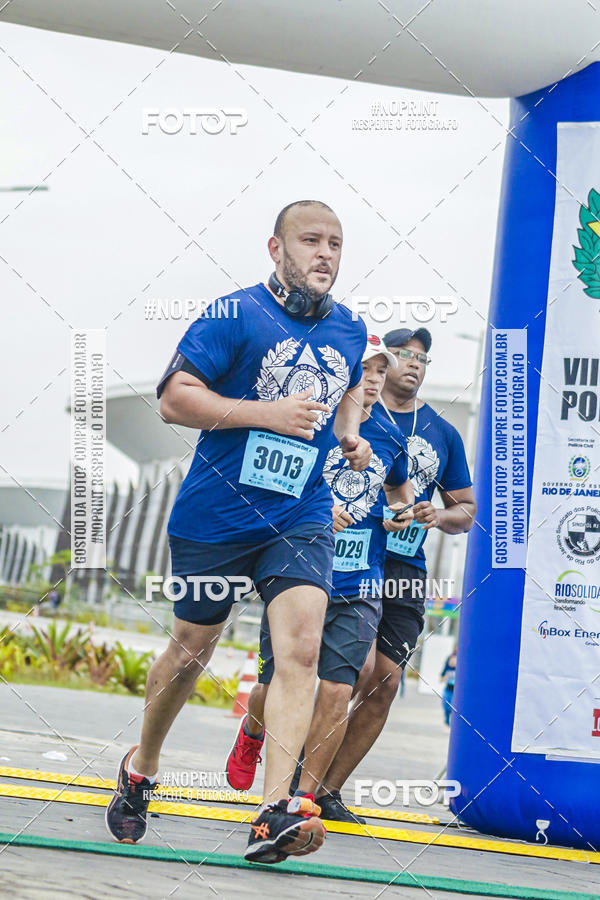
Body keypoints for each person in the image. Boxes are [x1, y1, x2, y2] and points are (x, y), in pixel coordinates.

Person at [104, 200, 371, 864]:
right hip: (218, 516)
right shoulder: (235, 315)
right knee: (191, 651)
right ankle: (143, 765)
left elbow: (346, 388)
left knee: (300, 653)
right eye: (310, 240)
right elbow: (174, 397)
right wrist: (266, 414)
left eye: (335, 243)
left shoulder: (349, 329)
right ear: (276, 249)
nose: (325, 254)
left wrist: (349, 435)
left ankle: (274, 811)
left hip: (299, 516)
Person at [225, 335, 414, 823]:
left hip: (360, 583)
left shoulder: (391, 437)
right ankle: (252, 728)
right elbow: (271, 481)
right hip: (299, 571)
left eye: (379, 372)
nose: (371, 380)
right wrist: (314, 509)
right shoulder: (312, 421)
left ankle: (302, 798)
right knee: (276, 684)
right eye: (365, 371)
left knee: (335, 692)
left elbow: (399, 492)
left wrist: (402, 514)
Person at [311, 326, 477, 815]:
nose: (414, 365)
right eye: (404, 356)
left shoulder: (442, 434)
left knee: (383, 681)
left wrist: (435, 514)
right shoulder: (353, 416)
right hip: (344, 558)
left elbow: (466, 511)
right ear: (380, 365)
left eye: (423, 360)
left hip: (403, 567)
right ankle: (297, 772)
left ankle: (326, 790)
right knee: (345, 670)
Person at [441, 646, 457, 726]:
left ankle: (451, 722)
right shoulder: (448, 669)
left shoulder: (459, 670)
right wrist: (443, 677)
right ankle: (447, 721)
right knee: (446, 706)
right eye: (452, 660)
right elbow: (442, 677)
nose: (453, 662)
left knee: (453, 708)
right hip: (448, 689)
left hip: (456, 692)